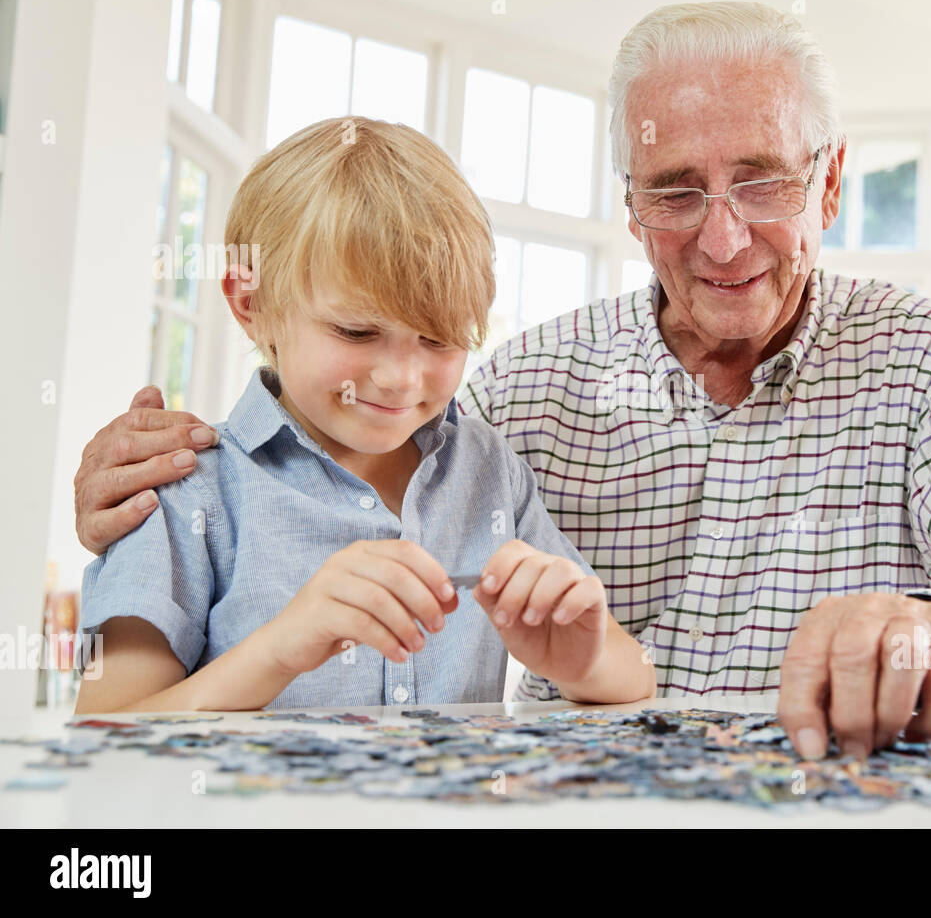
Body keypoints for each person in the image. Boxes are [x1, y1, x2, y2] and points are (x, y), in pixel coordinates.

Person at [73, 2, 931, 756]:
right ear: (628, 204)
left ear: (829, 182)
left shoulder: (924, 361)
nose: (723, 237)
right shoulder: (519, 392)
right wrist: (137, 491)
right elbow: (329, 442)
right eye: (676, 190)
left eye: (763, 180)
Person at [72, 116, 654, 713]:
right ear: (253, 305)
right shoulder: (183, 489)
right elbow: (103, 733)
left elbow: (631, 672)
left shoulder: (488, 470)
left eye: (438, 339)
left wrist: (583, 663)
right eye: (356, 331)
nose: (401, 378)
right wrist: (278, 650)